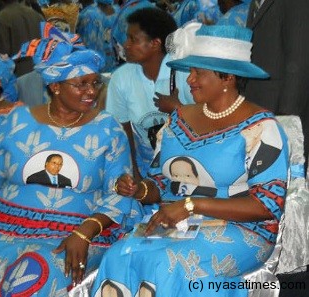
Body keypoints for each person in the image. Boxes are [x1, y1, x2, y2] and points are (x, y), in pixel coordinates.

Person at [91, 24, 289, 296]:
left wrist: (191, 205)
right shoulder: (179, 119)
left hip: (241, 229)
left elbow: (267, 205)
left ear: (227, 78)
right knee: (118, 256)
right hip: (173, 221)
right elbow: (161, 181)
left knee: (167, 266)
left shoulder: (260, 127)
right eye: (191, 71)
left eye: (199, 73)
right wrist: (141, 189)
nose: (189, 80)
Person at [0, 49, 142, 296]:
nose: (92, 91)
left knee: (31, 282)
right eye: (81, 84)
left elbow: (119, 191)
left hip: (71, 233)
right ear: (56, 87)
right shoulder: (18, 120)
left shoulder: (108, 128)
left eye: (96, 83)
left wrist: (85, 232)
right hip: (0, 229)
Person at [105, 7, 182, 179]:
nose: (126, 44)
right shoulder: (121, 78)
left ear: (155, 44)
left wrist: (179, 109)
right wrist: (135, 174)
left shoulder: (184, 74)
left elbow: (209, 122)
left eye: (133, 39)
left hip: (187, 164)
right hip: (145, 165)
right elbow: (122, 132)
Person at [245, 0, 309, 170]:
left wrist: (286, 119)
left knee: (283, 179)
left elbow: (299, 58)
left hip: (279, 110)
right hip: (258, 107)